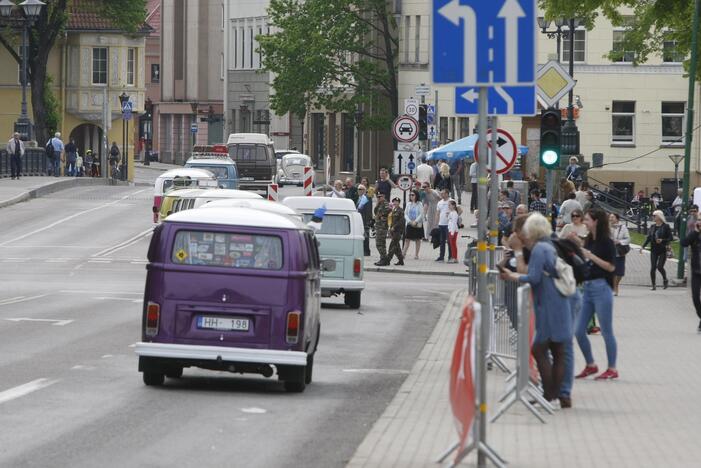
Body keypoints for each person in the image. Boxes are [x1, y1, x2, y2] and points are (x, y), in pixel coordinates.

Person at [500, 213, 573, 404]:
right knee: (558, 350)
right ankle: (555, 395)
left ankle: (549, 394)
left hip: (549, 303)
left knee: (539, 348)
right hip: (557, 302)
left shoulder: (540, 249)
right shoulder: (547, 246)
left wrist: (512, 276)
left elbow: (533, 277)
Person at [572, 208, 618, 381]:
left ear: (596, 221)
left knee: (607, 331)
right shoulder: (590, 239)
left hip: (602, 288)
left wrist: (591, 256)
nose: (584, 222)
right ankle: (591, 364)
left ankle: (612, 368)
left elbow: (611, 267)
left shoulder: (607, 242)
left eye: (587, 220)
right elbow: (584, 256)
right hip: (588, 288)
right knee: (578, 330)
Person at [640, 210, 672, 290]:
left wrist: (662, 240)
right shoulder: (652, 226)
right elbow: (649, 238)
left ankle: (665, 279)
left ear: (659, 216)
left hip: (663, 249)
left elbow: (670, 238)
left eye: (655, 216)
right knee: (653, 267)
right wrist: (643, 246)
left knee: (660, 267)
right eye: (653, 216)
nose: (653, 217)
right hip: (654, 249)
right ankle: (653, 285)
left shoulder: (666, 226)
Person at [680, 218, 701, 333]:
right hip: (697, 272)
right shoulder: (694, 234)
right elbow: (683, 243)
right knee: (695, 298)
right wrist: (695, 232)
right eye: (699, 220)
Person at [610, 212, 630, 296]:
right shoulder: (606, 227)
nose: (610, 219)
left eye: (612, 217)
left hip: (620, 251)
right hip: (610, 252)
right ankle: (615, 287)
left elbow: (628, 239)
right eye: (610, 217)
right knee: (613, 271)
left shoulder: (623, 227)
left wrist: (619, 241)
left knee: (620, 272)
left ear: (617, 219)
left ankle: (616, 284)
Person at [403, 190, 424, 260]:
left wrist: (415, 221)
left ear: (416, 196)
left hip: (417, 224)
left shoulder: (420, 204)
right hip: (409, 223)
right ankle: (403, 253)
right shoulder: (408, 204)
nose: (411, 196)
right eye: (410, 195)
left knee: (417, 240)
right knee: (407, 239)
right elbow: (405, 213)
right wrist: (409, 221)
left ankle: (416, 254)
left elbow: (421, 214)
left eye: (413, 195)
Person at [373, 193, 390, 266]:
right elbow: (375, 212)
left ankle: (384, 259)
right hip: (379, 227)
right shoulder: (379, 204)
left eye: (380, 197)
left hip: (382, 227)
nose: (379, 198)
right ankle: (384, 259)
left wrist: (381, 215)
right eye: (378, 197)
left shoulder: (385, 204)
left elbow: (387, 211)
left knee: (379, 244)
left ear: (384, 196)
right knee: (381, 244)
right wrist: (377, 203)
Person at [387, 197, 405, 265]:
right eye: (394, 202)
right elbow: (391, 221)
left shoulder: (400, 210)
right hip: (393, 231)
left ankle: (388, 259)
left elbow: (401, 221)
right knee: (397, 247)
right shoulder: (393, 210)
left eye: (397, 202)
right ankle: (401, 260)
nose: (395, 203)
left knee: (392, 246)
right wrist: (390, 228)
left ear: (399, 203)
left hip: (398, 231)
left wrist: (394, 227)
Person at [435, 189, 451, 262]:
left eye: (443, 193)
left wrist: (453, 217)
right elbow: (438, 213)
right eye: (441, 194)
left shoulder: (451, 201)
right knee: (442, 241)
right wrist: (436, 223)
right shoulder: (439, 203)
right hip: (441, 224)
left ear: (447, 194)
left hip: (449, 225)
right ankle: (441, 257)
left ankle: (450, 256)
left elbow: (458, 210)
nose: (442, 195)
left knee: (449, 241)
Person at [357, 185, 373, 256]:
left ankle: (366, 251)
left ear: (364, 190)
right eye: (358, 189)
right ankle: (362, 250)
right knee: (361, 236)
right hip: (359, 219)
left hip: (365, 219)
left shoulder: (367, 198)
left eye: (361, 189)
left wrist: (367, 220)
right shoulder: (358, 198)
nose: (359, 191)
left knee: (366, 236)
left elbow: (368, 210)